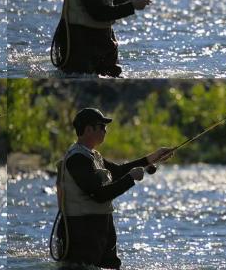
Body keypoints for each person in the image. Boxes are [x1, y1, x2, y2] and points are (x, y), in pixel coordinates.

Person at [55, 108, 173, 269]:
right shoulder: (77, 159)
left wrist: (153, 157)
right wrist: (131, 178)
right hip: (82, 230)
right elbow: (99, 195)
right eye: (102, 127)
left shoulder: (92, 155)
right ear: (88, 129)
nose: (105, 130)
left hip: (100, 227)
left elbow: (117, 171)